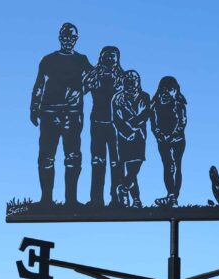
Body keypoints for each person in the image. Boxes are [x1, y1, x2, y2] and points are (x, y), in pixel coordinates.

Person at [30, 23, 92, 207]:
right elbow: (39, 84)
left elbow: (94, 79)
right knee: (46, 157)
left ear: (76, 39)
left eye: (71, 37)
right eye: (64, 37)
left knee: (73, 157)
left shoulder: (82, 60)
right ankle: (46, 200)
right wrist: (34, 108)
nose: (68, 40)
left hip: (72, 114)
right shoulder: (48, 60)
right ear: (59, 38)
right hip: (49, 113)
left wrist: (80, 91)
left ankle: (71, 200)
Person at [84, 46, 124, 207]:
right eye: (106, 56)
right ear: (101, 57)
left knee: (117, 162)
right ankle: (96, 199)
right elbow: (79, 92)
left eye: (112, 56)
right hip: (98, 122)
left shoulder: (122, 77)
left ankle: (117, 198)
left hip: (116, 124)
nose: (109, 59)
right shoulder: (93, 76)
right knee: (97, 161)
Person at [112, 70, 150, 208]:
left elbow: (145, 114)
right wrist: (127, 131)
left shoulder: (144, 96)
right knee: (128, 167)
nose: (131, 81)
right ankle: (136, 200)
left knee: (135, 167)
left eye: (134, 79)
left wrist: (133, 125)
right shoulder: (118, 98)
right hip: (124, 138)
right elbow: (116, 119)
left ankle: (124, 188)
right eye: (128, 79)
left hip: (139, 136)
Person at [150, 76, 187, 207]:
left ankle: (174, 196)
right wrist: (160, 135)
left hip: (177, 140)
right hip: (163, 141)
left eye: (169, 89)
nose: (166, 92)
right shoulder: (155, 106)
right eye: (163, 89)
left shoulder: (179, 104)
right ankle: (170, 194)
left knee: (176, 166)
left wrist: (172, 135)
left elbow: (182, 123)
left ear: (175, 90)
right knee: (168, 166)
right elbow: (154, 125)